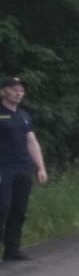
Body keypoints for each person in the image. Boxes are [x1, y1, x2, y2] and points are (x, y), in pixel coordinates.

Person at [0, 75, 48, 262]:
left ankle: (12, 250)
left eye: (21, 90)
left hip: (23, 168)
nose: (18, 93)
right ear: (4, 91)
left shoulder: (24, 116)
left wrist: (40, 167)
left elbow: (32, 142)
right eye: (14, 89)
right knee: (2, 209)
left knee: (19, 210)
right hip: (3, 168)